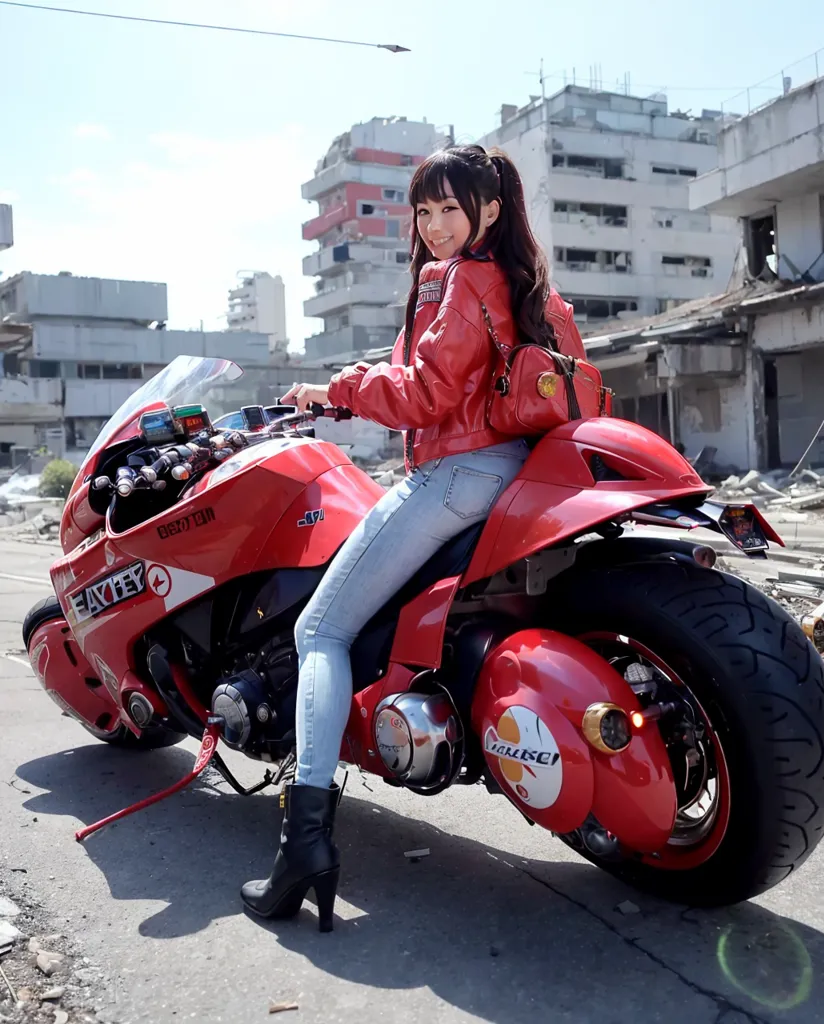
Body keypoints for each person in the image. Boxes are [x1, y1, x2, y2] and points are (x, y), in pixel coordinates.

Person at [240, 144, 588, 929]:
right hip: (517, 477)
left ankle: (305, 844)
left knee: (320, 629)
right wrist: (354, 383)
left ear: (488, 211)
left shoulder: (464, 279)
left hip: (456, 477)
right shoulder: (527, 282)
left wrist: (334, 388)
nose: (434, 227)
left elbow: (426, 394)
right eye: (423, 211)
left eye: (450, 210)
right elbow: (447, 371)